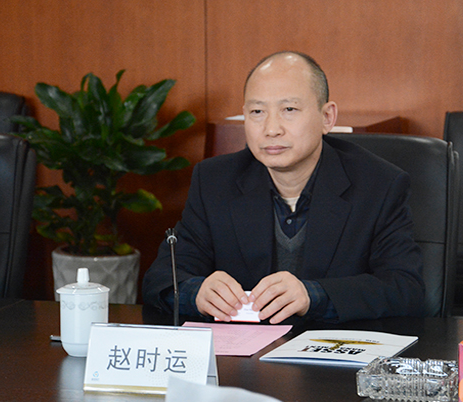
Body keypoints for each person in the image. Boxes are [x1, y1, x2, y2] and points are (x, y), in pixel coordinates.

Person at [142, 51, 424, 324]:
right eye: (257, 111)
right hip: (243, 352)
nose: (271, 128)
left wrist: (314, 296)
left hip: (331, 351)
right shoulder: (215, 181)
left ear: (327, 117)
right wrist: (196, 292)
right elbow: (162, 278)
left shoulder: (379, 184)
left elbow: (405, 288)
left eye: (289, 109)